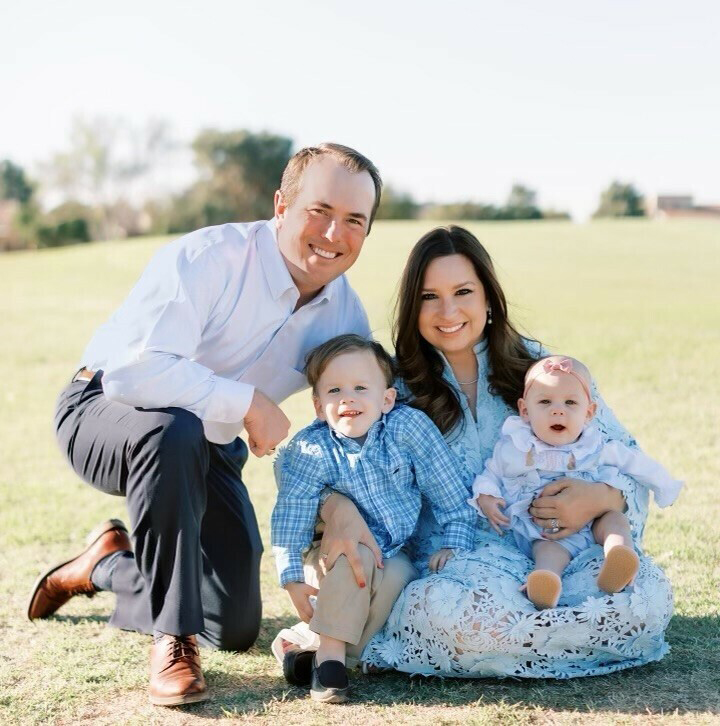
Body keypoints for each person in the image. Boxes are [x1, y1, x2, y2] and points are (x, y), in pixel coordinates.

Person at [27, 143, 383, 706]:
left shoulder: (345, 315)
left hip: (207, 445)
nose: (334, 233)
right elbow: (133, 375)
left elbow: (371, 406)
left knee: (234, 623)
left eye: (354, 221)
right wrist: (248, 403)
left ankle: (108, 565)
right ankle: (173, 639)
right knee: (175, 430)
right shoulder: (209, 257)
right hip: (105, 412)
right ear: (281, 205)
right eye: (320, 211)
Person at [316, 225, 674, 678]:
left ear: (488, 298)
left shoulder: (546, 371)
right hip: (459, 564)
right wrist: (337, 506)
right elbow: (326, 456)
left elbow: (625, 459)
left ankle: (522, 634)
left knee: (644, 599)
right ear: (413, 307)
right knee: (451, 616)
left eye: (463, 291)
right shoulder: (391, 385)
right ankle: (516, 636)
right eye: (429, 297)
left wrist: (602, 498)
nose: (448, 311)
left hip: (563, 549)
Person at [272, 334, 476, 702]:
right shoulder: (310, 447)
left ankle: (318, 655)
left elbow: (446, 485)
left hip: (392, 548)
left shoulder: (408, 428)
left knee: (399, 574)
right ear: (319, 406)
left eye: (360, 388)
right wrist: (291, 577)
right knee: (359, 558)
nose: (347, 398)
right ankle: (332, 659)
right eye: (334, 390)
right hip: (330, 546)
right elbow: (292, 513)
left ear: (387, 399)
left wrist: (454, 538)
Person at [471, 355, 682, 609]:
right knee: (546, 551)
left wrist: (666, 486)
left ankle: (619, 554)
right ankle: (546, 580)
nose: (557, 410)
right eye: (545, 401)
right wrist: (486, 496)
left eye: (570, 402)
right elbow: (491, 472)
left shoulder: (595, 445)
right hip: (547, 530)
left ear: (589, 412)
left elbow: (637, 463)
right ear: (525, 410)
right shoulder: (516, 447)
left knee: (615, 521)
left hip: (594, 519)